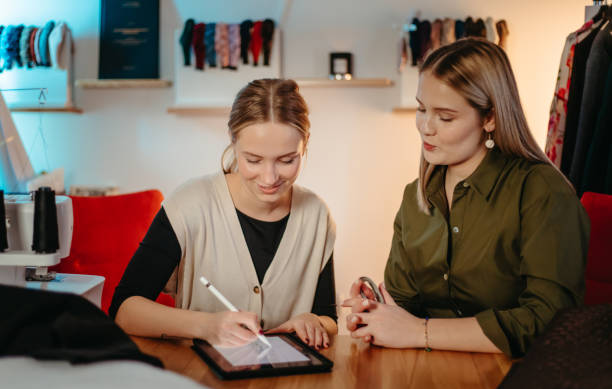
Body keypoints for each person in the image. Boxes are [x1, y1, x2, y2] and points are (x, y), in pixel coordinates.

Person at [343, 38, 590, 358]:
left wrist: (419, 331)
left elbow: (548, 321)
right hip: (424, 379)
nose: (425, 128)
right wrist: (376, 312)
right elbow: (404, 307)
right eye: (421, 109)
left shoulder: (542, 193)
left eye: (445, 117)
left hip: (516, 382)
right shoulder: (414, 197)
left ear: (490, 118)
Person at [110, 79, 337, 349]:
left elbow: (328, 317)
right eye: (253, 160)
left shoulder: (316, 216)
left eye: (287, 160)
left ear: (305, 143)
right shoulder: (189, 204)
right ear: (233, 140)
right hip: (201, 380)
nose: (269, 177)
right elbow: (124, 310)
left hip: (287, 386)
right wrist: (206, 326)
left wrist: (315, 322)